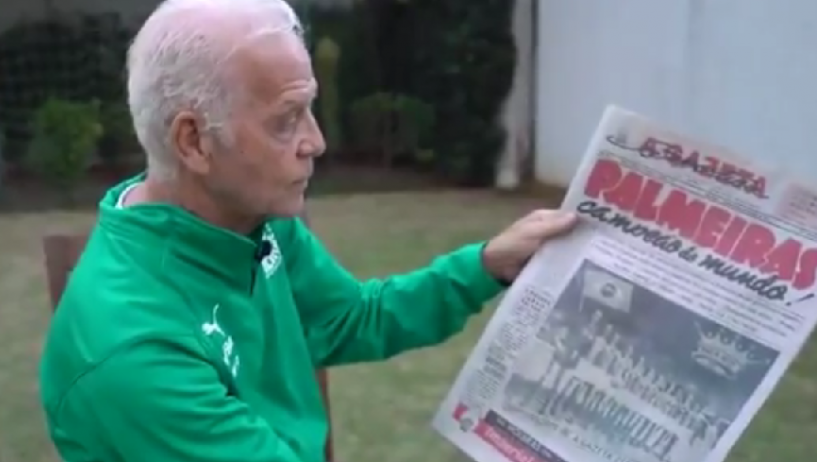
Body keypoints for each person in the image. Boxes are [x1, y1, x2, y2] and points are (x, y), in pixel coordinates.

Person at [37, 0, 578, 461]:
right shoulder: (134, 355)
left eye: (309, 109)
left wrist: (485, 265)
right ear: (194, 143)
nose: (316, 141)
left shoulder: (250, 219)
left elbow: (351, 317)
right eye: (285, 119)